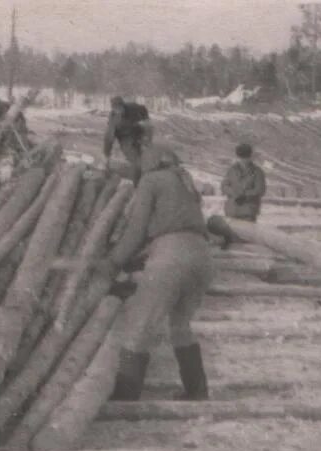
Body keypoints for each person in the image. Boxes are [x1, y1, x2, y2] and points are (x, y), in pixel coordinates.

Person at [104, 143, 213, 402]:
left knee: (140, 324)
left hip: (171, 257)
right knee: (181, 325)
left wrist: (114, 260)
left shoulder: (152, 181)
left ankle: (126, 396)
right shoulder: (185, 181)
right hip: (201, 255)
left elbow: (137, 229)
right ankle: (197, 391)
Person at [103, 96, 154, 185]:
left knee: (146, 155)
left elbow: (143, 110)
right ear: (113, 109)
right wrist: (106, 154)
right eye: (116, 109)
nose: (119, 111)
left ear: (123, 105)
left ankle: (147, 174)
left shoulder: (133, 108)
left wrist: (145, 120)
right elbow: (108, 138)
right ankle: (137, 184)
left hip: (138, 132)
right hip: (124, 138)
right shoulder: (113, 120)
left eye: (120, 108)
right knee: (135, 159)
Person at [221, 143, 267, 221]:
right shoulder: (231, 170)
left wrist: (245, 195)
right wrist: (234, 193)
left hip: (248, 212)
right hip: (231, 211)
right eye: (241, 157)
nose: (243, 160)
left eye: (246, 157)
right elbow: (224, 186)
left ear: (250, 157)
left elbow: (260, 190)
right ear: (238, 157)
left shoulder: (257, 172)